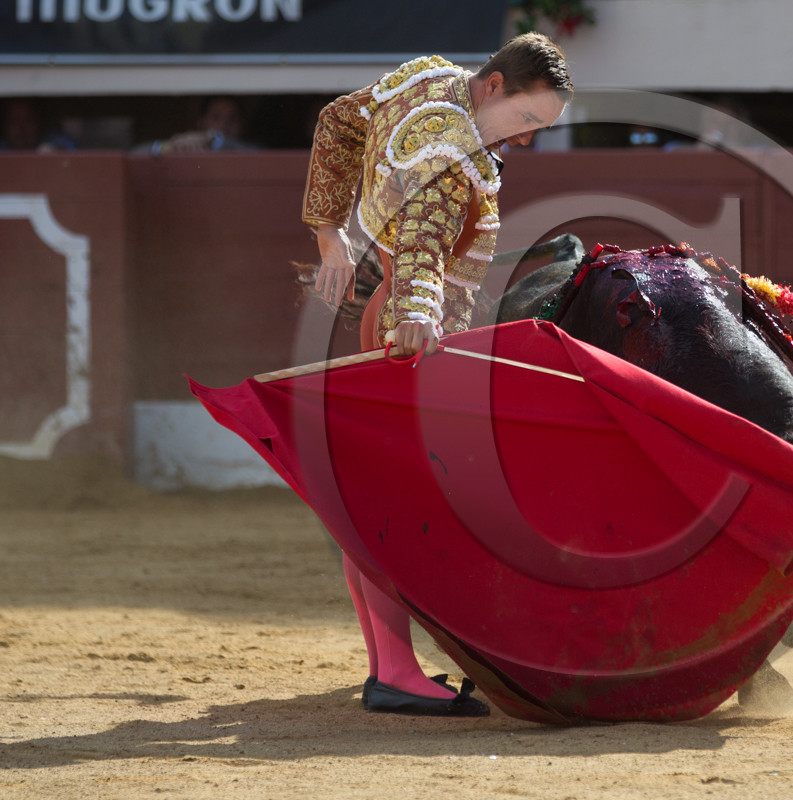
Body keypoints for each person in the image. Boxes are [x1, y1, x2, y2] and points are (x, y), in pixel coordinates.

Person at [302, 32, 573, 716]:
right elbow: (424, 237)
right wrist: (421, 313)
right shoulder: (453, 153)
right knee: (402, 506)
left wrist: (329, 233)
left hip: (390, 312)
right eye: (526, 118)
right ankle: (395, 673)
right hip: (412, 331)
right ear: (494, 87)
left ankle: (388, 665)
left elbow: (337, 120)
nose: (527, 137)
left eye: (539, 127)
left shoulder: (426, 75)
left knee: (378, 500)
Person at [136, 96, 258, 154]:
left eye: (232, 119)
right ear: (201, 122)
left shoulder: (248, 149)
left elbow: (259, 153)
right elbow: (137, 152)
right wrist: (171, 146)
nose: (224, 124)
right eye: (215, 117)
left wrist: (212, 139)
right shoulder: (187, 145)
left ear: (242, 124)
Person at [0, 98, 75, 152]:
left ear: (40, 122)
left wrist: (53, 152)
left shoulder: (54, 140)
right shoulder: (3, 148)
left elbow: (68, 148)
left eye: (28, 120)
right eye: (13, 121)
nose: (21, 128)